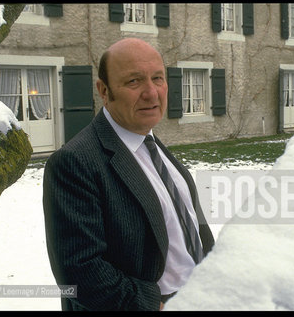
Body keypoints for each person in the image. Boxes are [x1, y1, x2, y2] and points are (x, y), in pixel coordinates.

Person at [43, 38, 214, 311]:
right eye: (134, 81)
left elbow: (190, 225)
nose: (151, 93)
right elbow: (77, 273)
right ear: (104, 90)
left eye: (158, 78)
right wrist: (154, 306)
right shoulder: (74, 162)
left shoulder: (151, 144)